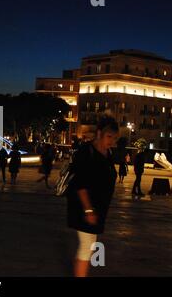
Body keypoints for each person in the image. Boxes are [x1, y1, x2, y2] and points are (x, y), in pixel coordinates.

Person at [66, 115, 118, 277]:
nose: (112, 141)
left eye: (115, 138)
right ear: (99, 133)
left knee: (89, 245)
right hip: (85, 207)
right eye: (109, 136)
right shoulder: (86, 151)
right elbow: (80, 184)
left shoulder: (107, 153)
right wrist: (88, 210)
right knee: (87, 245)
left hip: (98, 207)